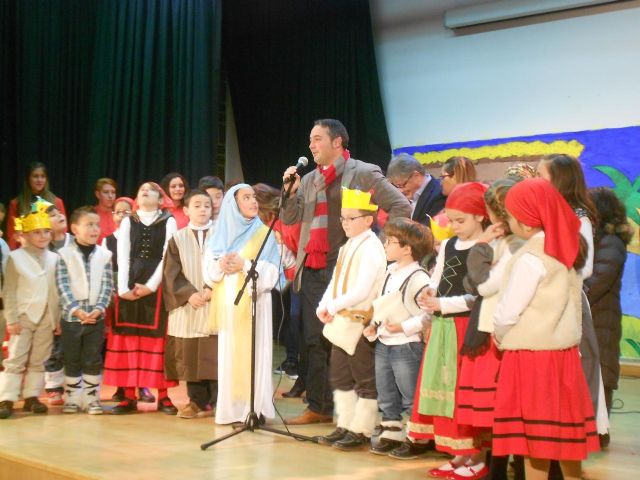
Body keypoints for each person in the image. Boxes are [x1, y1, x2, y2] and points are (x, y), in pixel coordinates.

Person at [281, 118, 411, 425]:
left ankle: (365, 413)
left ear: (337, 142)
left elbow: (400, 206)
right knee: (315, 339)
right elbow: (289, 217)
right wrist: (288, 191)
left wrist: (375, 247)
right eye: (310, 140)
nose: (311, 145)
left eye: (317, 139)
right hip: (313, 267)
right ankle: (320, 405)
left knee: (353, 341)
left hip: (348, 268)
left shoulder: (363, 172)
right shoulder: (310, 178)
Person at [493, 178, 599, 479]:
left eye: (511, 216)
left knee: (533, 440)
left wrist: (500, 336)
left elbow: (508, 312)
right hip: (562, 354)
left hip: (532, 358)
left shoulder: (530, 258)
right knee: (565, 439)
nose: (509, 221)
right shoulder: (565, 249)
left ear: (526, 222)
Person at [409, 183, 488, 475]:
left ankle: (476, 456)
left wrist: (443, 305)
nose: (454, 227)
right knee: (442, 386)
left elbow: (479, 295)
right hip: (443, 326)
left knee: (463, 392)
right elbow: (438, 276)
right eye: (451, 220)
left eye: (460, 221)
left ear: (480, 216)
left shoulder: (485, 248)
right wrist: (428, 293)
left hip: (468, 327)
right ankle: (458, 453)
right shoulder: (452, 244)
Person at [311, 188, 386, 450]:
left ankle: (362, 429)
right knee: (341, 377)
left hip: (360, 321)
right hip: (341, 320)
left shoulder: (372, 247)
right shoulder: (348, 245)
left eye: (351, 218)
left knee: (364, 379)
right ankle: (345, 424)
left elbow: (362, 290)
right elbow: (336, 280)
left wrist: (333, 305)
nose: (345, 224)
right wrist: (324, 305)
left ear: (368, 220)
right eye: (342, 219)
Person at [203, 183, 281, 425]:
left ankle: (254, 410)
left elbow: (272, 272)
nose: (253, 201)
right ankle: (232, 409)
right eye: (246, 198)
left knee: (255, 354)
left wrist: (245, 265)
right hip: (229, 305)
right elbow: (208, 272)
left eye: (254, 197)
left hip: (256, 303)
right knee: (230, 355)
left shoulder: (265, 234)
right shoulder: (218, 235)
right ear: (233, 205)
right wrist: (221, 265)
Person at [103, 182, 178, 414]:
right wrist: (124, 288)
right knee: (128, 338)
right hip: (129, 284)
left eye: (151, 189)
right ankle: (127, 396)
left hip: (156, 286)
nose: (145, 190)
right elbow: (123, 256)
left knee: (158, 340)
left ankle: (163, 397)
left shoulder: (169, 221)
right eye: (142, 189)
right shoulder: (128, 221)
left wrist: (150, 286)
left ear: (160, 198)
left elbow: (168, 256)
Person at [364, 217, 433, 455]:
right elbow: (383, 305)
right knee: (386, 391)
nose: (385, 245)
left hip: (406, 345)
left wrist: (404, 327)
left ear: (407, 249)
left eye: (391, 241)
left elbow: (428, 315)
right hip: (385, 341)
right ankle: (391, 430)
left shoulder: (420, 278)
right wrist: (374, 324)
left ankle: (418, 437)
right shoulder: (390, 271)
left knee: (409, 392)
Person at [0, 198, 60, 419]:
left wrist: (57, 319)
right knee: (16, 357)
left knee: (39, 358)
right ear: (24, 234)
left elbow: (56, 292)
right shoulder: (15, 259)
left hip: (46, 316)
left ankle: (32, 396)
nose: (43, 236)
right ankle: (6, 398)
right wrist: (12, 318)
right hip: (24, 315)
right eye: (37, 232)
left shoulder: (54, 258)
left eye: (46, 231)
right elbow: (10, 291)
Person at [163, 190, 218, 419]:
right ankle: (196, 401)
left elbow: (226, 264)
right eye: (197, 205)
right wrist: (188, 294)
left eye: (207, 205)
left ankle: (218, 402)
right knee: (191, 354)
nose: (203, 209)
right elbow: (171, 273)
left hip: (215, 301)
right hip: (189, 305)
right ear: (186, 210)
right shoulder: (178, 238)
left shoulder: (222, 235)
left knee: (214, 353)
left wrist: (212, 287)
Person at [586, 187, 632, 447]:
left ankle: (599, 431)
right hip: (595, 313)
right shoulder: (600, 239)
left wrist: (575, 294)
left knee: (603, 369)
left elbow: (599, 280)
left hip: (601, 315)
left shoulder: (611, 242)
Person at [56, 207, 114, 414]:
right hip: (72, 318)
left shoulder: (105, 255)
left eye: (97, 225)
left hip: (95, 319)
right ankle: (72, 397)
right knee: (71, 357)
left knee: (92, 358)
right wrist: (76, 311)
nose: (95, 229)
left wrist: (98, 310)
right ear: (74, 228)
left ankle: (91, 398)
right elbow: (62, 286)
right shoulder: (63, 255)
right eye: (89, 224)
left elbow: (108, 286)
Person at [43, 204, 74, 405]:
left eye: (59, 212)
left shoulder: (74, 241)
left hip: (73, 301)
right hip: (51, 301)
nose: (59, 215)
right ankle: (53, 386)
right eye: (52, 215)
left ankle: (73, 386)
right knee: (53, 347)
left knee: (71, 346)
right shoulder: (43, 245)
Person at [6, 162, 66, 250]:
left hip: (52, 251)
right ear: (28, 179)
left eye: (43, 176)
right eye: (35, 176)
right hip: (26, 252)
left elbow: (62, 231)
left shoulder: (57, 202)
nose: (39, 180)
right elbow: (12, 235)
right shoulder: (16, 203)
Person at [386, 153, 446, 225]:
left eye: (402, 185)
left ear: (416, 175)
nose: (400, 190)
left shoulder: (439, 194)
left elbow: (427, 230)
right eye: (396, 186)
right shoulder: (406, 198)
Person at [94, 178, 118, 243]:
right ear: (97, 194)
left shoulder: (118, 215)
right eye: (106, 192)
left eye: (113, 192)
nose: (110, 196)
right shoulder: (91, 214)